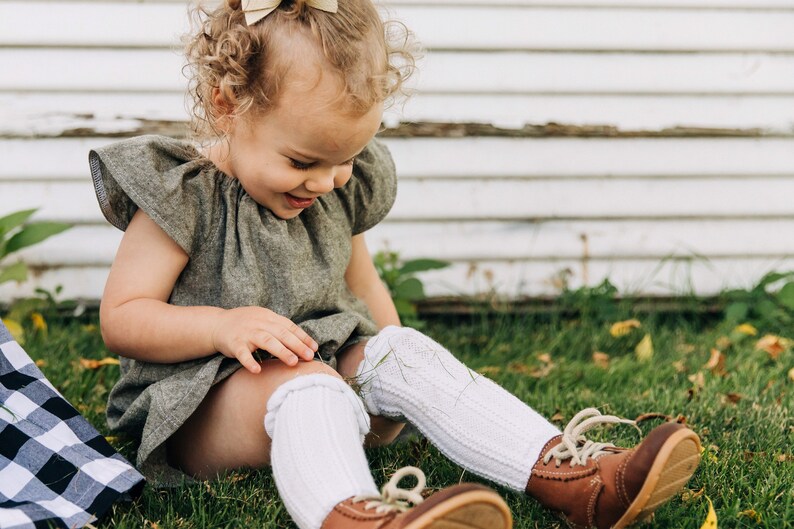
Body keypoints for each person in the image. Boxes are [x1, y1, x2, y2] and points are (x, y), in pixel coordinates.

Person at [88, 1, 702, 528]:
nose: (325, 182)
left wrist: (401, 370)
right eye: (303, 161)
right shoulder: (182, 193)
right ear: (228, 107)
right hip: (206, 402)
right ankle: (352, 513)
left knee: (401, 352)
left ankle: (580, 481)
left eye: (346, 158)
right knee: (308, 386)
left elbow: (363, 284)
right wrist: (221, 327)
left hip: (324, 371)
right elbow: (123, 317)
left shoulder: (332, 187)